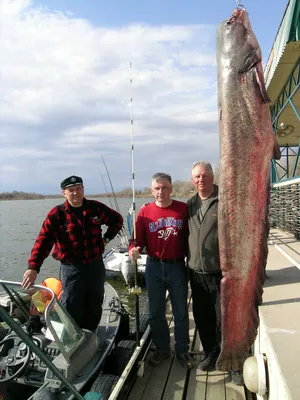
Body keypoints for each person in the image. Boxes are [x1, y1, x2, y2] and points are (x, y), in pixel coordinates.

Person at [23, 175, 123, 331]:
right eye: (71, 190)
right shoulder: (57, 214)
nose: (75, 193)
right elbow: (43, 242)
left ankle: (91, 334)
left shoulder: (95, 208)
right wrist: (33, 267)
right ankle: (73, 338)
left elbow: (117, 220)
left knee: (95, 303)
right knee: (71, 304)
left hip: (95, 265)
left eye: (78, 189)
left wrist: (106, 238)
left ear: (83, 189)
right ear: (64, 193)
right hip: (72, 269)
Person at [128, 172, 192, 370]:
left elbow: (193, 236)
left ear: (171, 189)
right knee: (156, 312)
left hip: (177, 266)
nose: (161, 192)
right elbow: (135, 241)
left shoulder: (183, 209)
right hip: (154, 266)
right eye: (157, 188)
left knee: (180, 311)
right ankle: (163, 348)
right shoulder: (145, 212)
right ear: (151, 190)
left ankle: (182, 349)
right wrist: (133, 250)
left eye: (164, 187)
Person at [187, 161, 243, 385]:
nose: (201, 180)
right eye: (197, 177)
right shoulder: (189, 205)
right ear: (193, 181)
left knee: (226, 321)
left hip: (222, 273)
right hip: (196, 273)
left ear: (212, 176)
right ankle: (211, 353)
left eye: (204, 175)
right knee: (203, 318)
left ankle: (232, 361)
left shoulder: (226, 200)